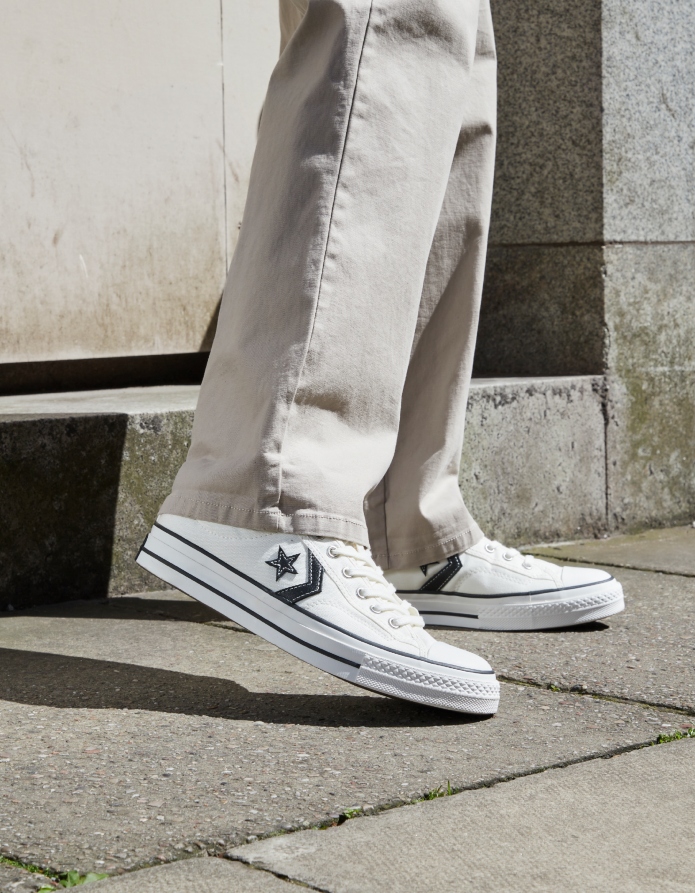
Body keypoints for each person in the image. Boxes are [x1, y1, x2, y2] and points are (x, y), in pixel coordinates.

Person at [137, 0, 624, 716]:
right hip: (269, 498)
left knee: (452, 68)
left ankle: (398, 525)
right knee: (388, 24)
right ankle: (273, 496)